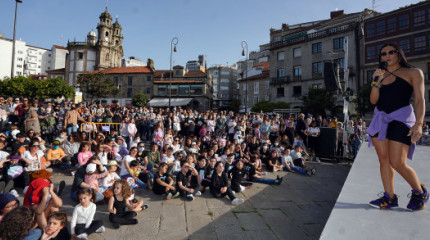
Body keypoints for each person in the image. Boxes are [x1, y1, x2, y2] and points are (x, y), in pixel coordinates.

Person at [367, 43, 428, 211]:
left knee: (397, 162)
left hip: (402, 118)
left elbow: (420, 100)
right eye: (383, 54)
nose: (386, 56)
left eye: (390, 52)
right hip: (381, 118)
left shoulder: (414, 73)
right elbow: (373, 100)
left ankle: (419, 192)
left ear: (399, 54)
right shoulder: (379, 74)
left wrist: (419, 124)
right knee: (383, 160)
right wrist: (376, 82)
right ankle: (390, 197)